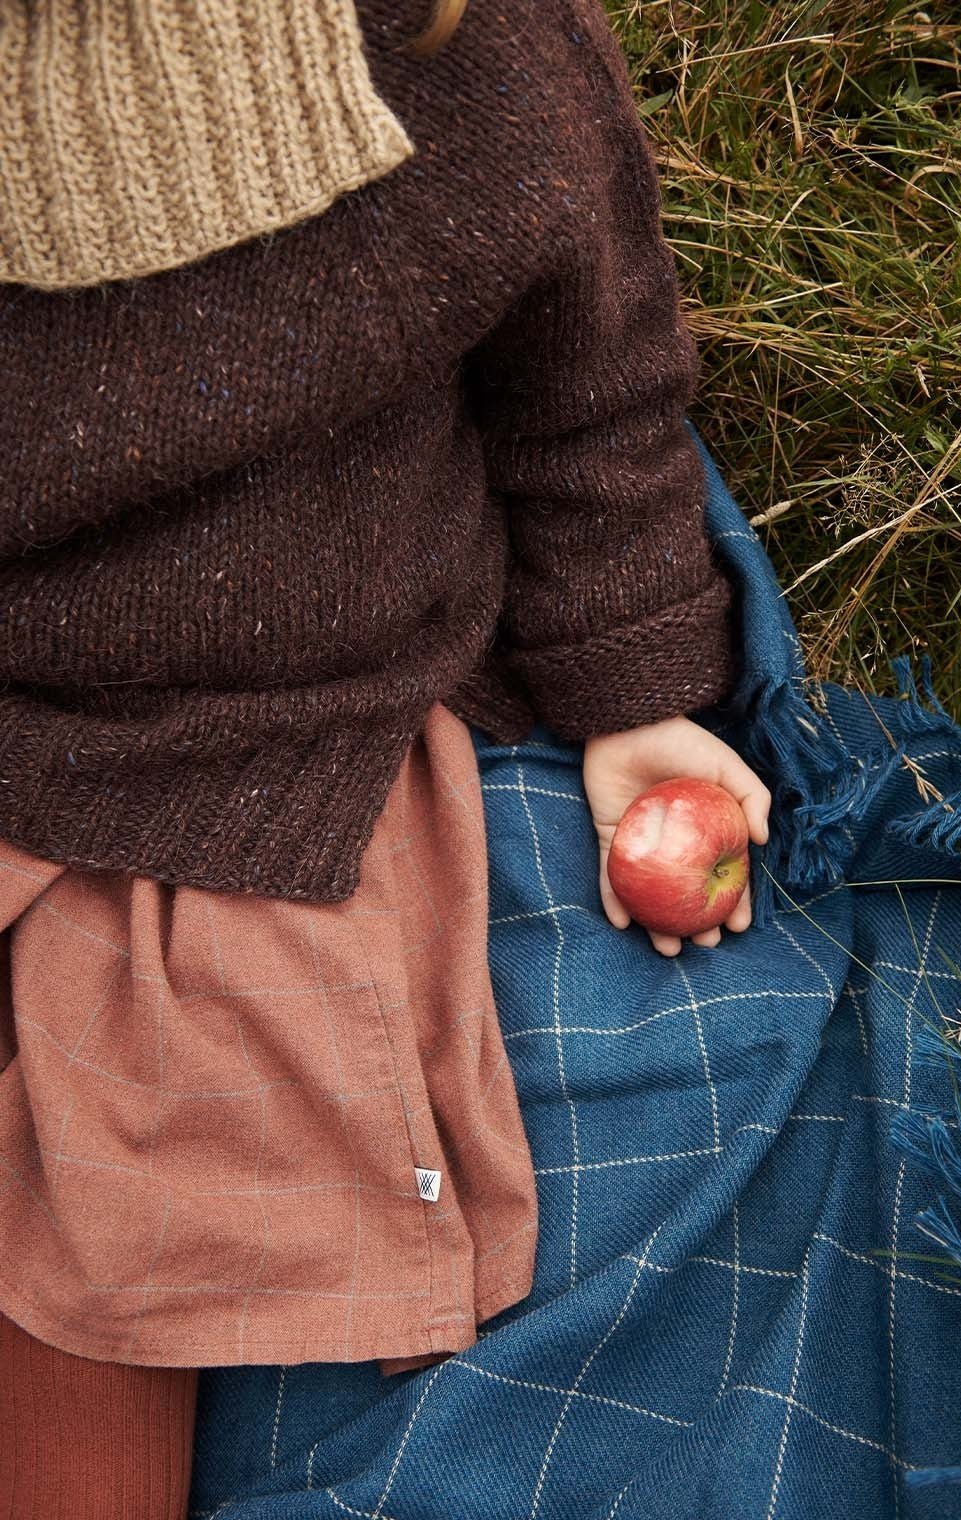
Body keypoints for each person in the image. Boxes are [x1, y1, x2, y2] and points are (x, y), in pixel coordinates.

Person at [0, 0, 772, 1513]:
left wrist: (630, 687)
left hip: (270, 728)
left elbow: (589, 386)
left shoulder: (453, 59)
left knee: (135, 1215)